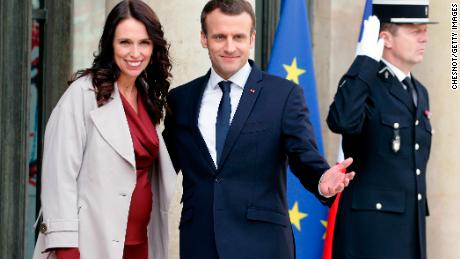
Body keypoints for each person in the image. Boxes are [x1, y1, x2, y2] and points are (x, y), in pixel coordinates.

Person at [162, 1, 355, 258]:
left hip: (263, 245)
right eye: (220, 36)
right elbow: (160, 166)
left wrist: (322, 180)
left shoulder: (284, 95)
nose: (230, 47)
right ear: (203, 38)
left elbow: (303, 154)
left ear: (252, 38)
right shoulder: (181, 99)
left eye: (238, 37)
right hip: (200, 243)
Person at [32, 1, 176, 258]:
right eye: (125, 42)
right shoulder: (82, 94)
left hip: (140, 242)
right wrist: (67, 249)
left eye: (144, 43)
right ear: (110, 44)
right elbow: (59, 176)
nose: (135, 52)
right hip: (92, 243)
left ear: (154, 46)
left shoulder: (146, 93)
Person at [326, 0, 435, 258]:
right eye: (414, 30)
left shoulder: (419, 91)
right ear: (385, 38)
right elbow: (341, 121)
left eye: (425, 30)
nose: (424, 38)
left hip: (408, 232)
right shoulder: (364, 83)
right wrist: (365, 61)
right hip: (369, 236)